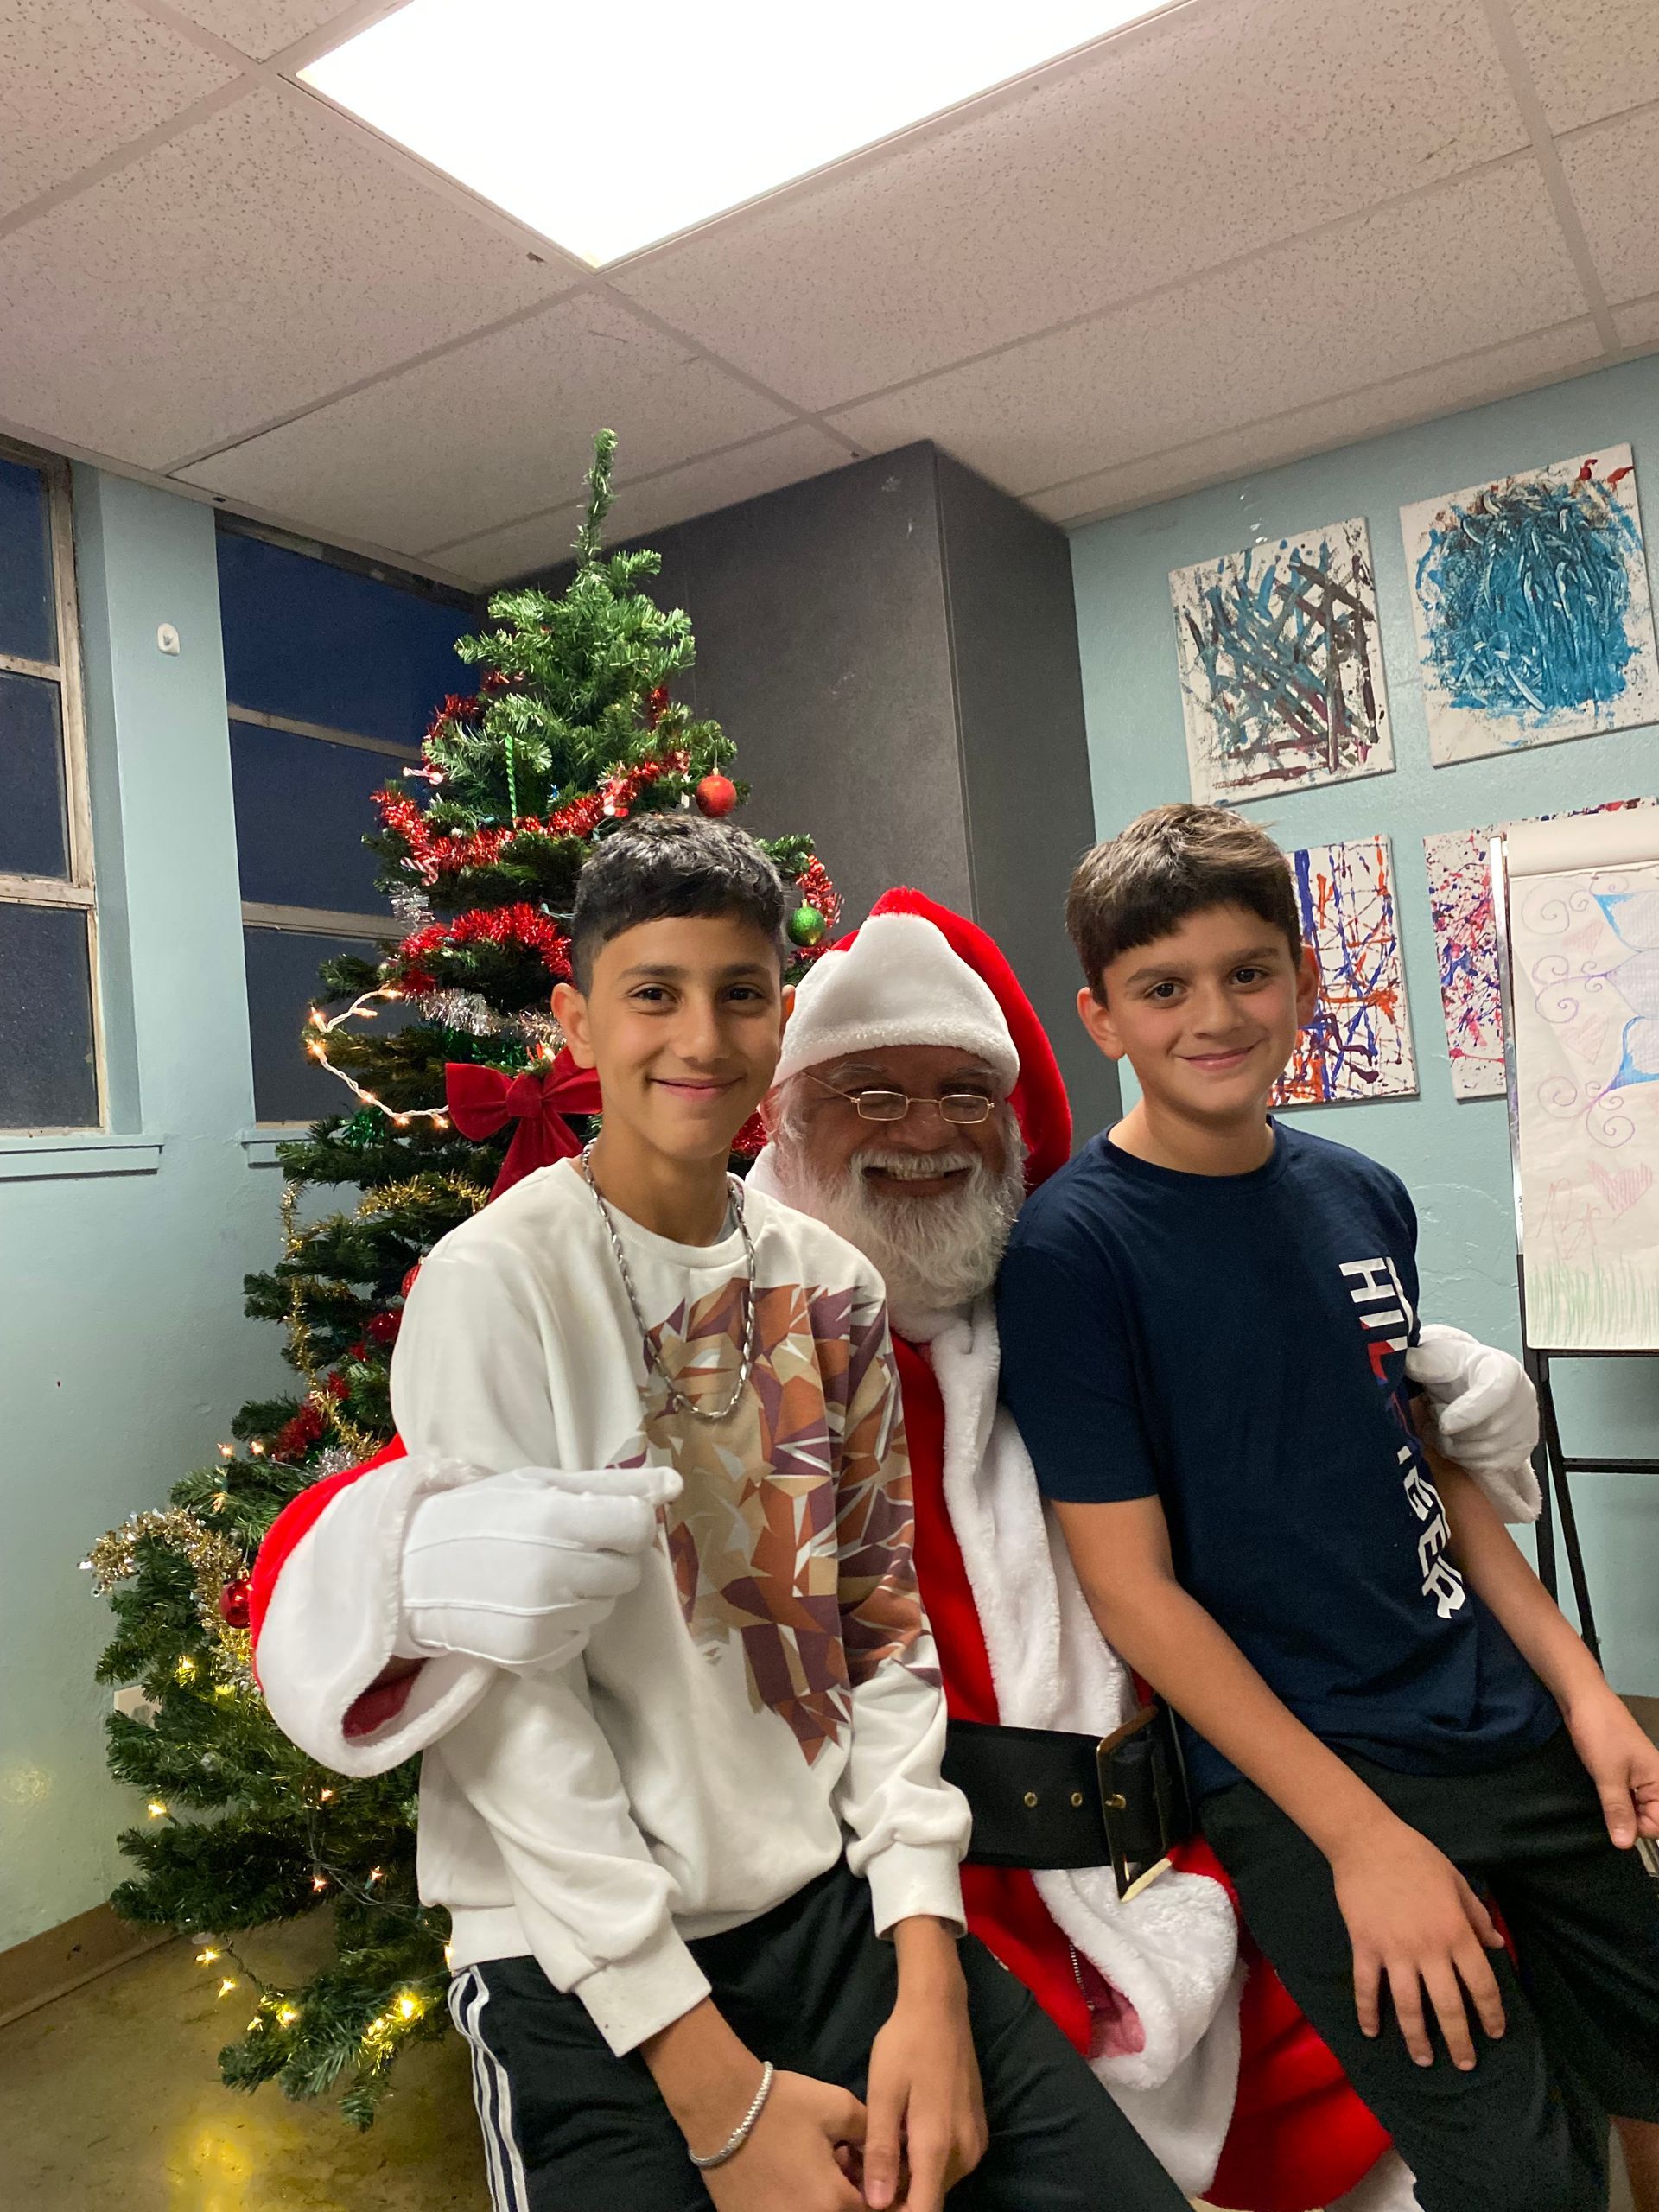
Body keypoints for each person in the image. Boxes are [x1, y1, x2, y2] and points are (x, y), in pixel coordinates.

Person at [251, 817, 1191, 2212]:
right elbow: (508, 1717)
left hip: (831, 1908)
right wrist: (717, 2096)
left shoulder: (833, 1285)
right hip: (573, 1962)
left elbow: (882, 1635)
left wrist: (928, 1961)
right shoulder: (496, 1286)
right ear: (577, 1020)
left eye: (739, 993)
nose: (699, 1037)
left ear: (779, 1020)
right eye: (655, 993)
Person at [748, 887, 1540, 2212]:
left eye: (965, 1094)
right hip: (919, 1914)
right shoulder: (730, 1329)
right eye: (871, 1095)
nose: (927, 1132)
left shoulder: (1062, 1283)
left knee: (1456, 2072)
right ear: (783, 1116)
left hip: (1196, 1850)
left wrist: (1426, 1388)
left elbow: (1268, 1409)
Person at [996, 803, 1659, 2212]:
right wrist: (1362, 1841)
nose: (1214, 1016)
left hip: (1502, 1718)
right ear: (1101, 1016)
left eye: (1248, 973)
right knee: (1524, 2179)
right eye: (1163, 988)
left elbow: (1430, 1472)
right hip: (1311, 1773)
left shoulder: (1363, 1194)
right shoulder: (1073, 1251)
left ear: (1302, 979)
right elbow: (1133, 1591)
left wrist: (1586, 1693)